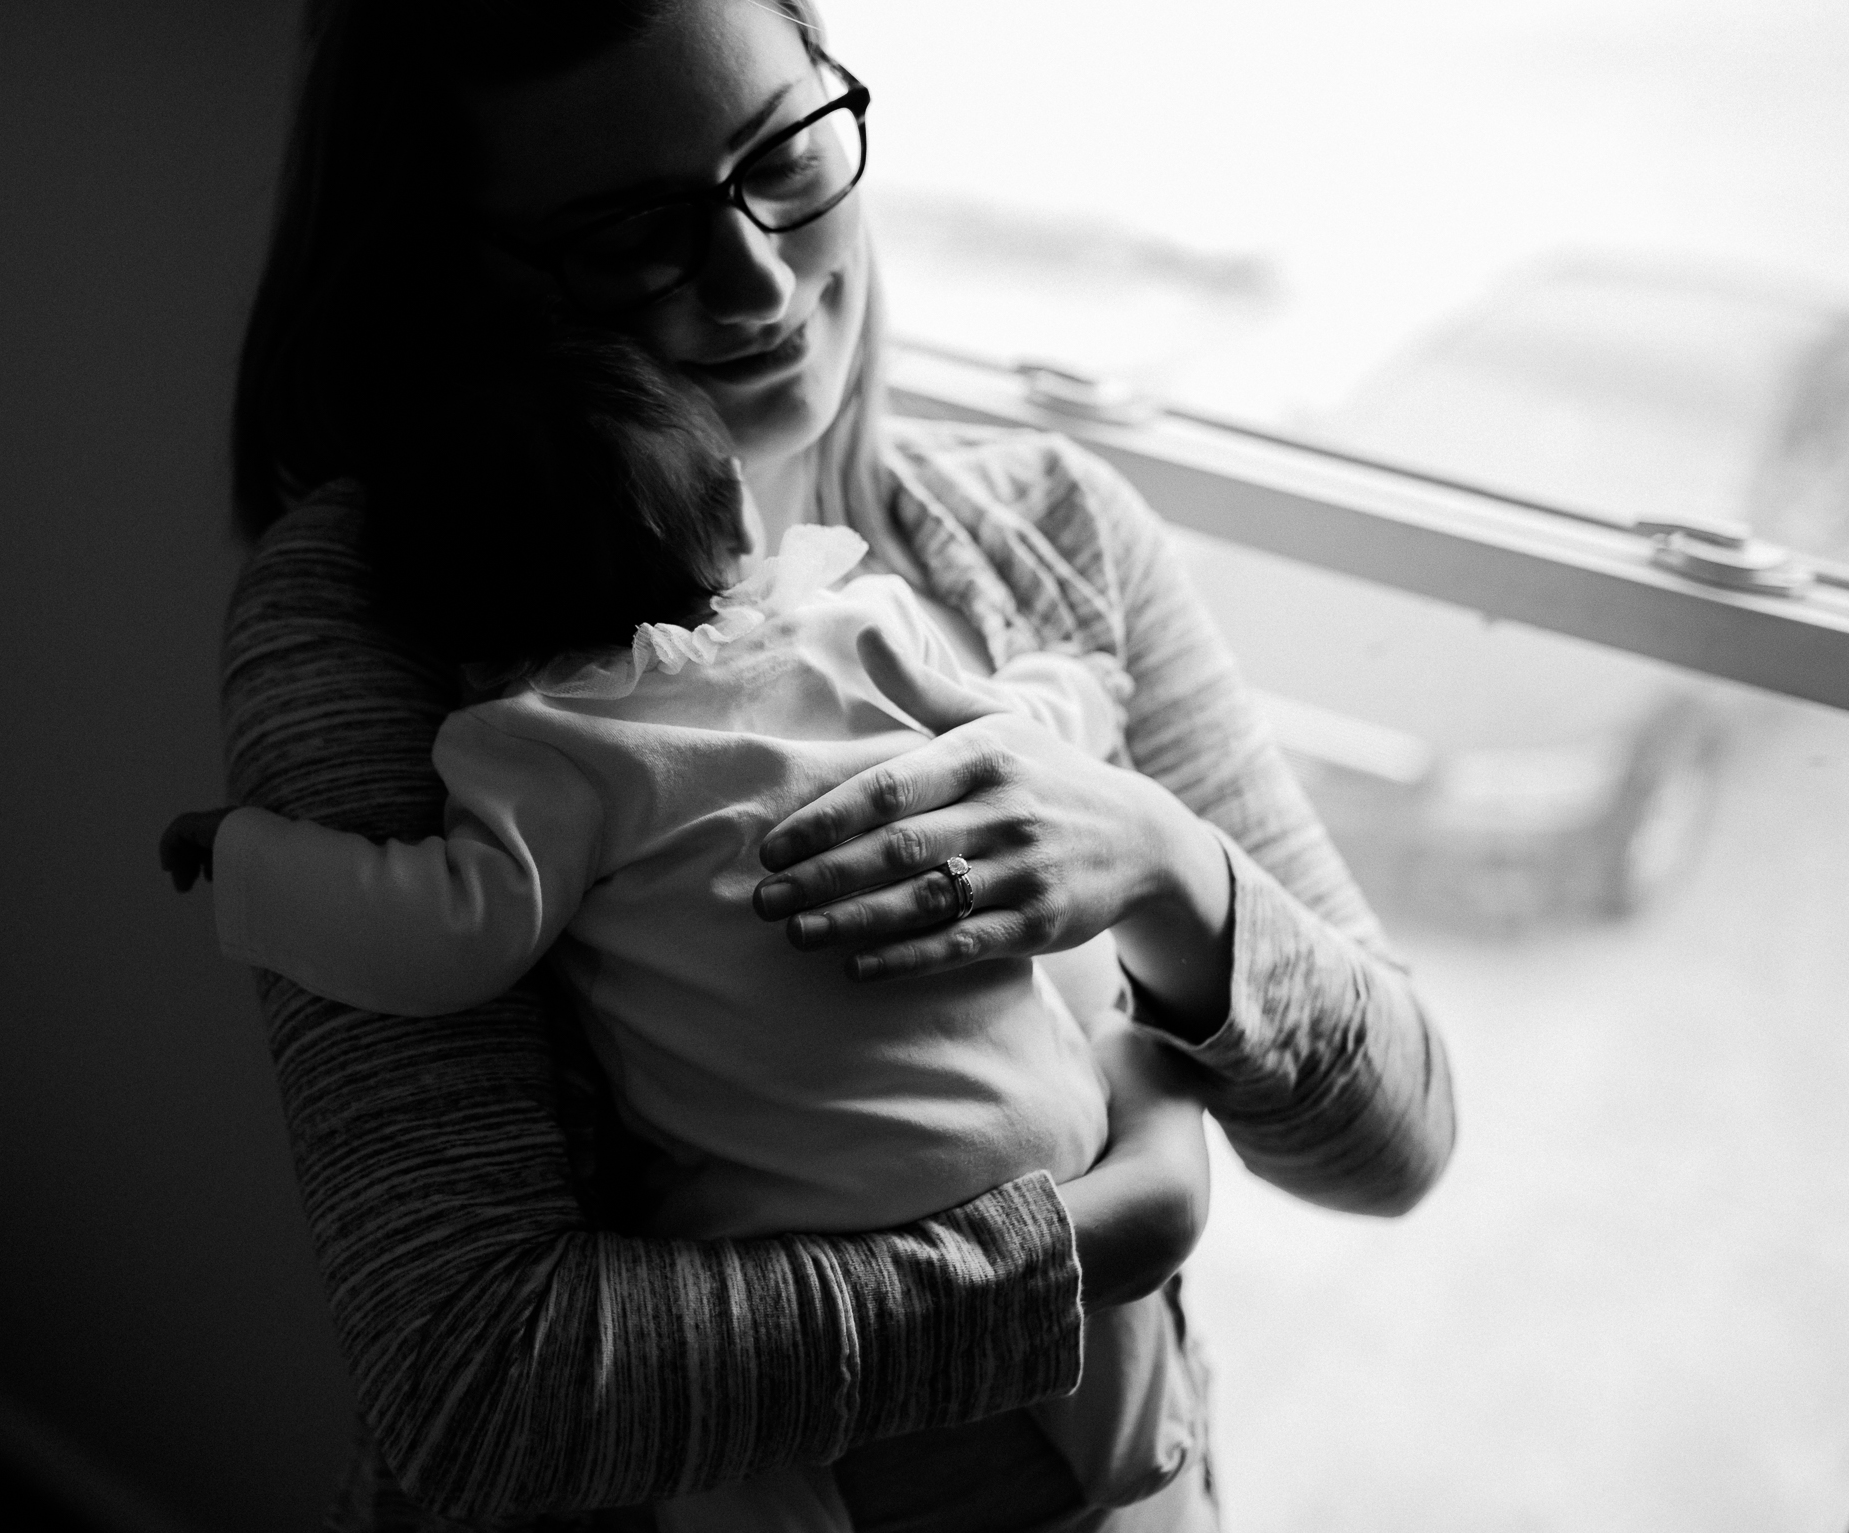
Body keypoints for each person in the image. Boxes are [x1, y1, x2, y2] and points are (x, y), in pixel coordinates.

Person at [199, 2, 1457, 1528]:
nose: (758, 273)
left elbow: (1399, 1140)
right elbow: (476, 1387)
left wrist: (1161, 863)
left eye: (782, 150)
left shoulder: (1057, 542)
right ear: (471, 280)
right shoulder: (395, 613)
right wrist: (1085, 1245)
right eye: (627, 231)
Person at [165, 329, 1203, 1529]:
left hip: (806, 1205)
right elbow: (1012, 736)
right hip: (1048, 1124)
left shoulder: (547, 748)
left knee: (715, 1417)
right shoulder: (853, 627)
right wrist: (1083, 680)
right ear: (735, 520)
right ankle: (1136, 1449)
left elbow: (444, 931)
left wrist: (247, 856)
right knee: (1106, 1359)